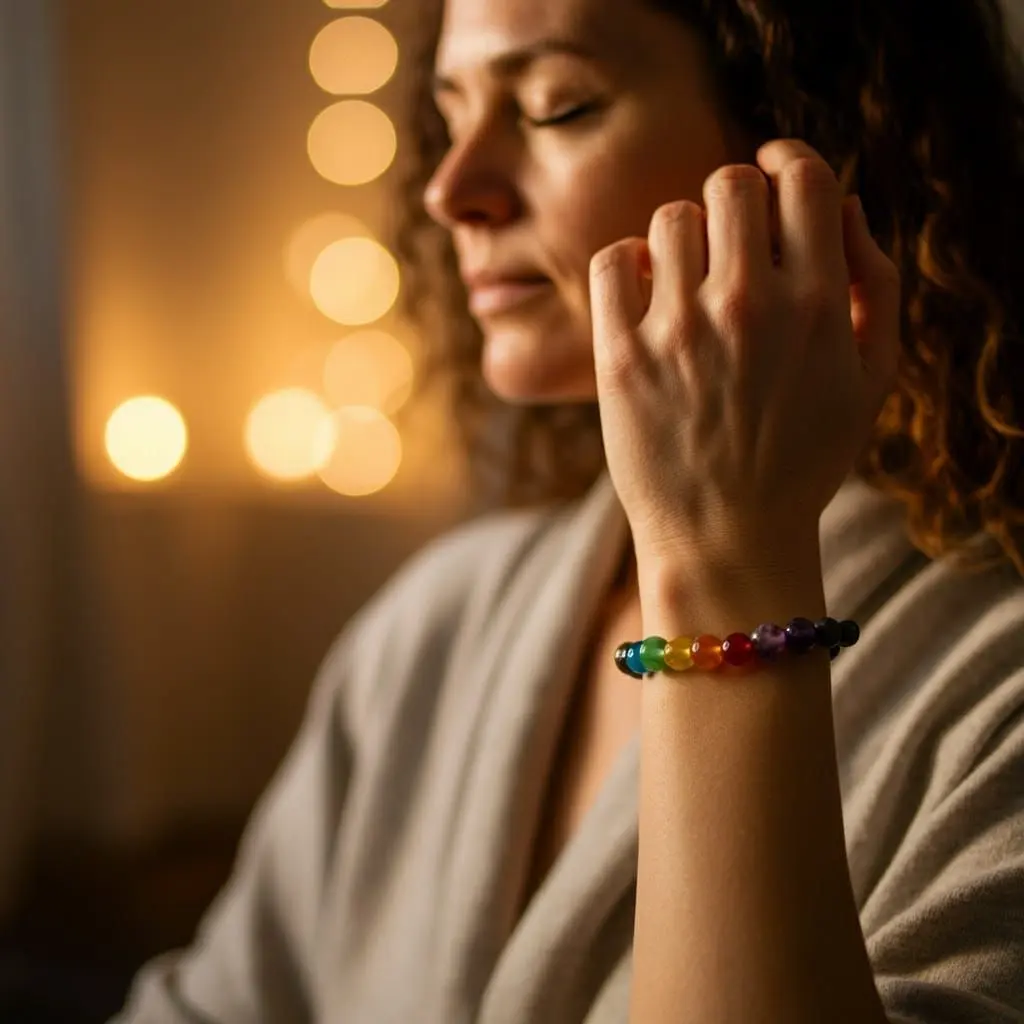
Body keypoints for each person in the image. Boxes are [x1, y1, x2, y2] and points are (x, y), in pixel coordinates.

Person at [112, 0, 1024, 1020]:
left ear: (820, 147)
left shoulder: (1000, 691)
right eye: (450, 117)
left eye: (557, 106)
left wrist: (725, 552)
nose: (451, 190)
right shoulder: (437, 624)